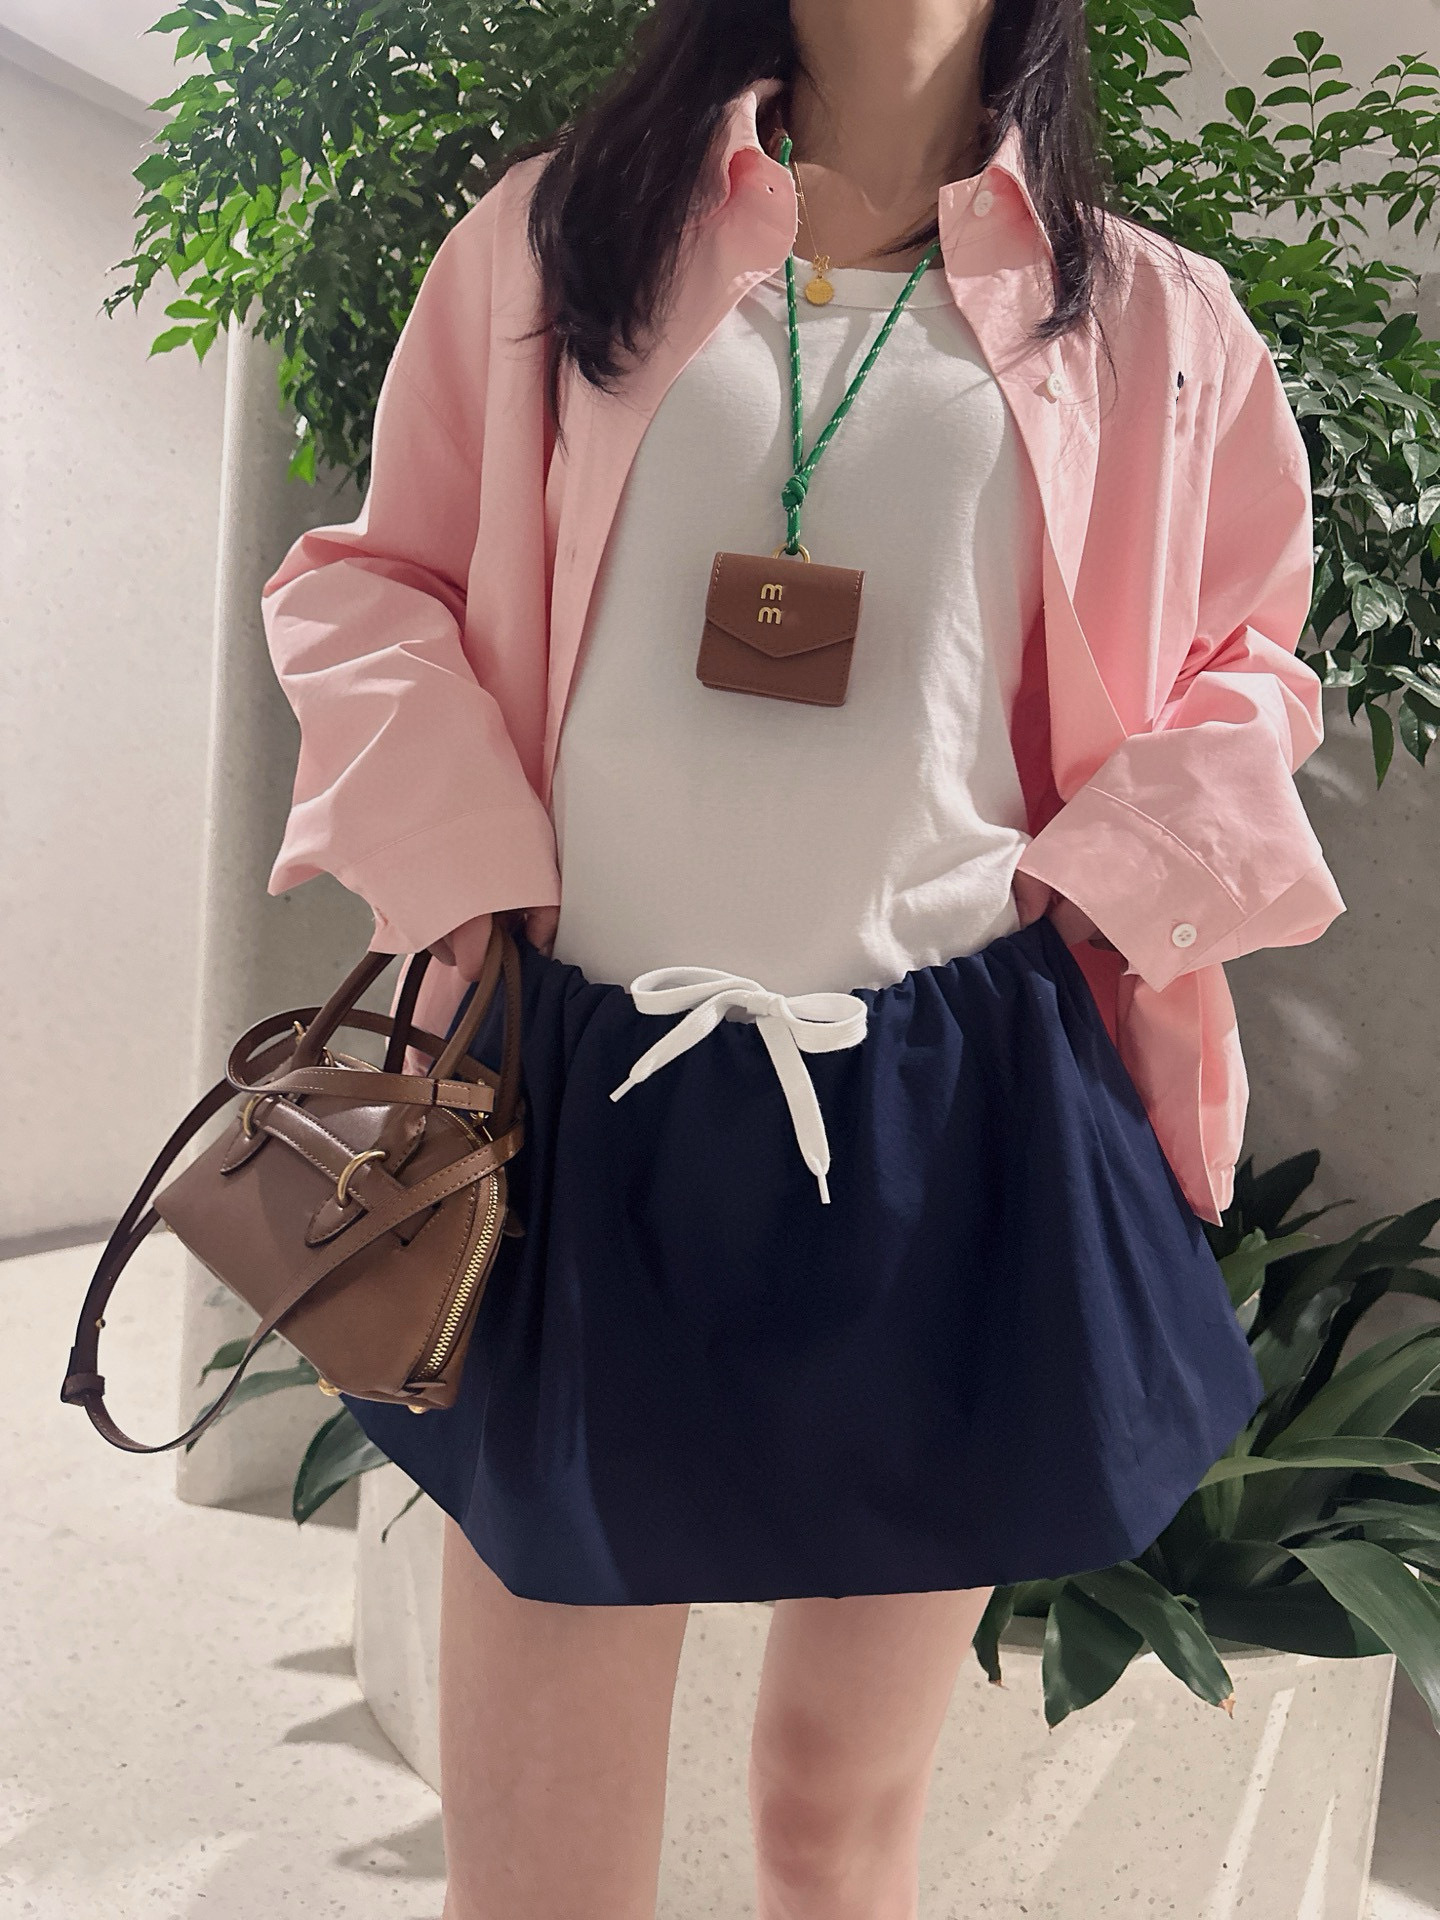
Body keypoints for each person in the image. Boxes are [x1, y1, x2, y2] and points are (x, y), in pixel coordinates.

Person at [260, 1, 1345, 1913]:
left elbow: (1252, 664)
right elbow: (375, 585)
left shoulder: (1153, 320)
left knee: (838, 1827)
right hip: (574, 1103)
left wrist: (1112, 880)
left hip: (953, 1105)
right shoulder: (558, 239)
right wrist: (469, 870)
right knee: (542, 1861)